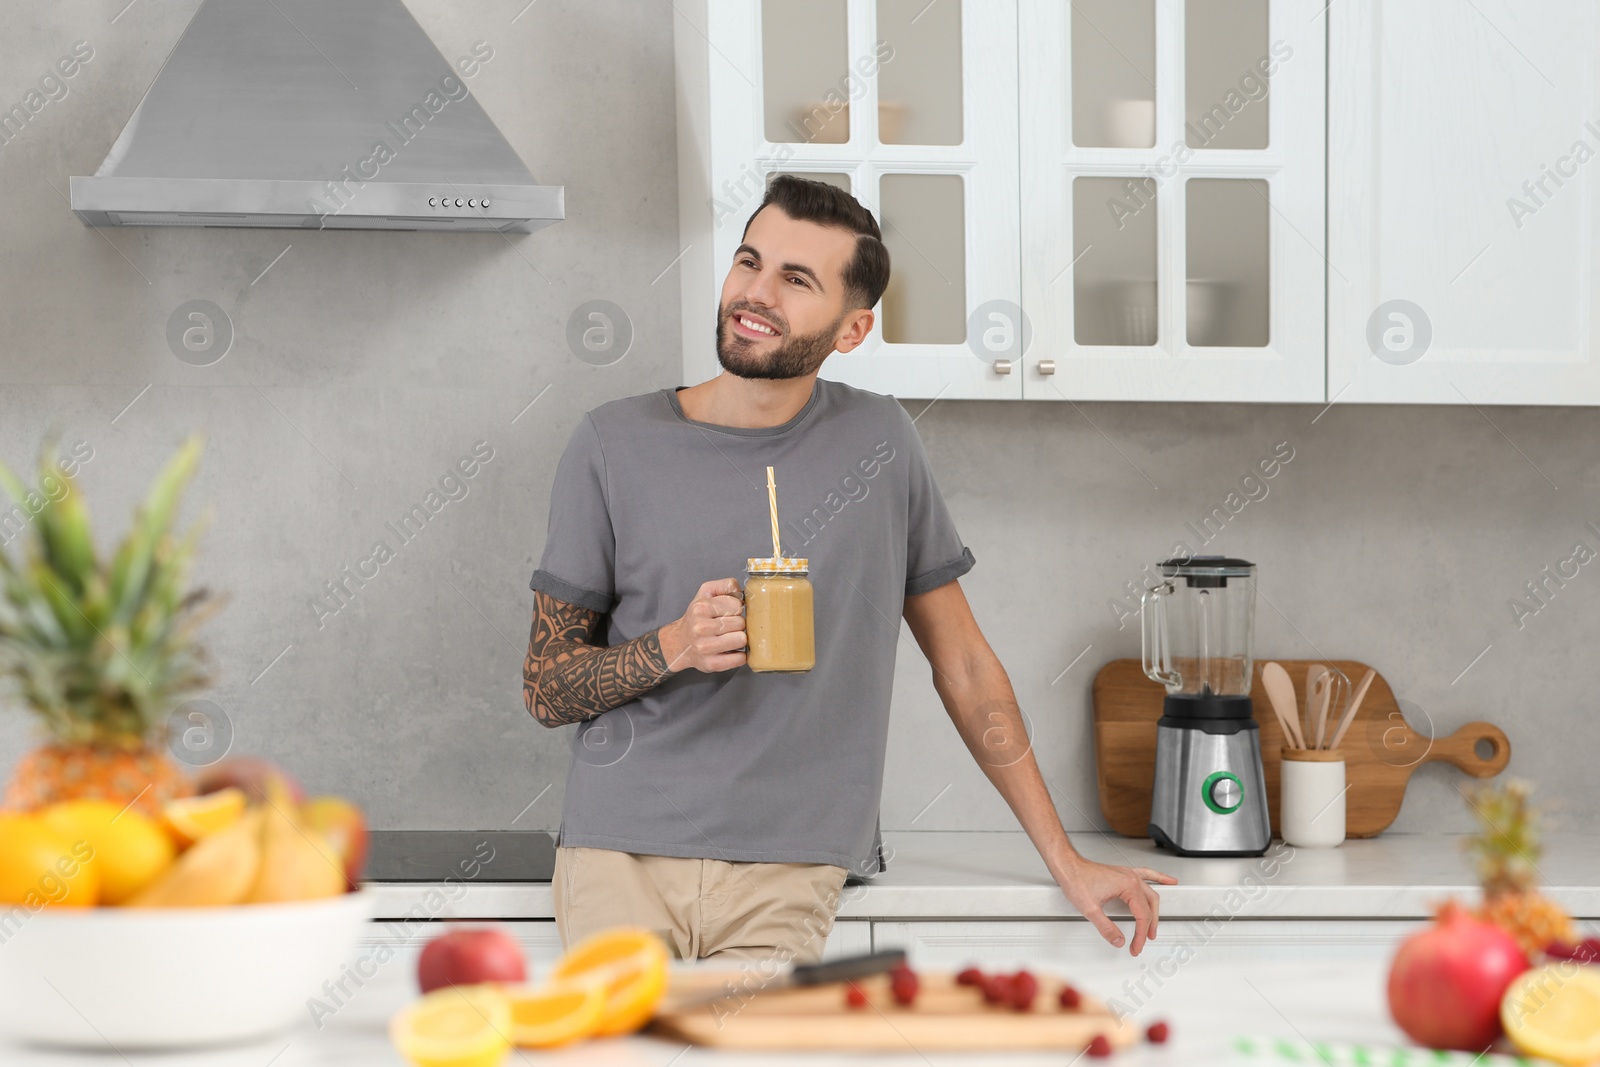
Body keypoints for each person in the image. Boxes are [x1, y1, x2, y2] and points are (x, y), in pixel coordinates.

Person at [525, 175, 1175, 965]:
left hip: (794, 861)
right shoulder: (611, 443)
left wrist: (1064, 857)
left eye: (796, 280)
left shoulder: (880, 443)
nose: (754, 294)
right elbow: (545, 686)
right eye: (748, 262)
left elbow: (964, 664)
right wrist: (670, 646)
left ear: (853, 327)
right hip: (617, 852)